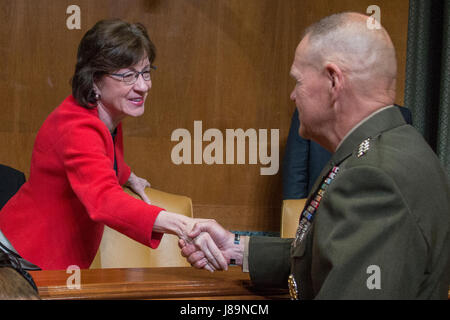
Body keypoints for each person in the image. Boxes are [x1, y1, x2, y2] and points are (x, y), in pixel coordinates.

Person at [180, 12, 450, 299]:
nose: (293, 96)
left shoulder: (373, 179)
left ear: (333, 81)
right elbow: (337, 258)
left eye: (298, 81)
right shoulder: (391, 148)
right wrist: (238, 249)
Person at [0, 19, 226, 272]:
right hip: (19, 258)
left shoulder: (109, 114)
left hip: (49, 262)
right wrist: (185, 226)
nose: (142, 86)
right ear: (94, 79)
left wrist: (127, 176)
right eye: (128, 76)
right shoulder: (77, 125)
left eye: (146, 72)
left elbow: (98, 160)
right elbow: (104, 199)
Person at [282, 105, 412, 199]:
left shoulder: (399, 116)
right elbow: (295, 176)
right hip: (322, 218)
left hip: (379, 218)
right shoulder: (311, 112)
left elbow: (403, 179)